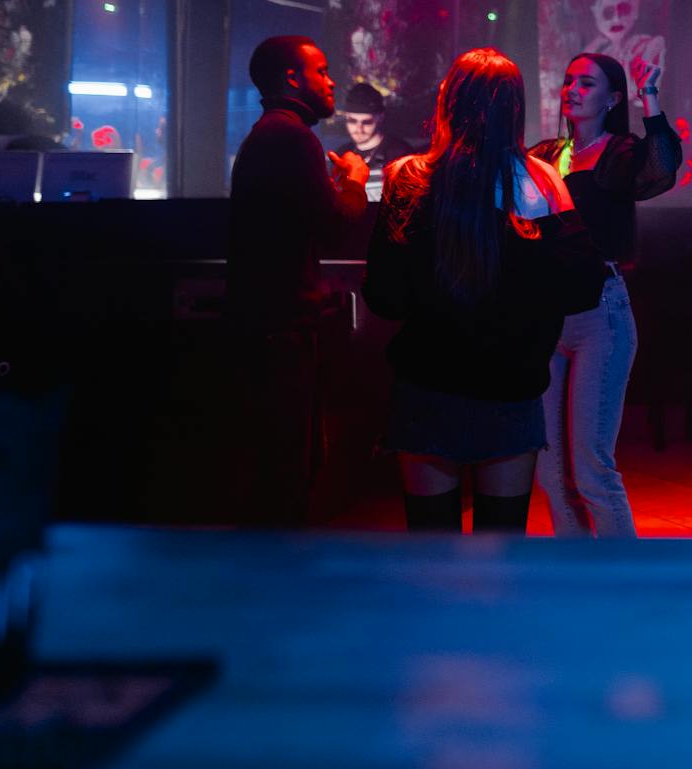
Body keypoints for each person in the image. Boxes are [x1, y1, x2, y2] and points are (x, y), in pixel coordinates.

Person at [366, 49, 606, 533]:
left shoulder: (407, 178)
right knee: (502, 544)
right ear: (515, 110)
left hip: (428, 387)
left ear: (448, 102)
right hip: (510, 387)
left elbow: (384, 297)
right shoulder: (541, 182)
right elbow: (583, 288)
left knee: (432, 546)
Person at [527, 53, 683, 538]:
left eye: (586, 83)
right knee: (548, 469)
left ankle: (622, 575)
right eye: (569, 80)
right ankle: (577, 573)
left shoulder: (620, 152)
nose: (572, 90)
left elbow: (661, 170)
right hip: (545, 313)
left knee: (591, 466)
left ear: (613, 98)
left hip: (600, 312)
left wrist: (649, 96)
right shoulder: (546, 154)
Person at [225, 36, 369, 524]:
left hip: (265, 330)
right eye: (321, 71)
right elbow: (335, 227)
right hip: (280, 335)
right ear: (292, 77)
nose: (331, 82)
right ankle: (281, 567)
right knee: (287, 471)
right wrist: (355, 180)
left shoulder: (272, 133)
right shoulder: (292, 138)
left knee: (279, 467)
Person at [337, 83, 417, 202]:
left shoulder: (401, 155)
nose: (359, 129)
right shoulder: (340, 154)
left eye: (366, 122)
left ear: (380, 117)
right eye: (352, 121)